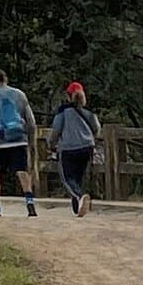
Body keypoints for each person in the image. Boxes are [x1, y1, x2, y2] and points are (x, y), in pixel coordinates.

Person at [0, 69, 38, 218]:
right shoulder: (19, 94)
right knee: (22, 171)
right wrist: (31, 140)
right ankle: (29, 202)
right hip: (19, 140)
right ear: (6, 79)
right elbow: (31, 121)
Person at [48, 81, 101, 217]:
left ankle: (80, 196)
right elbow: (96, 128)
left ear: (68, 96)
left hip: (68, 148)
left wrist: (51, 144)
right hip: (87, 147)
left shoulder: (63, 111)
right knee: (78, 177)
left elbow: (56, 130)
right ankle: (77, 206)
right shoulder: (88, 112)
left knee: (67, 178)